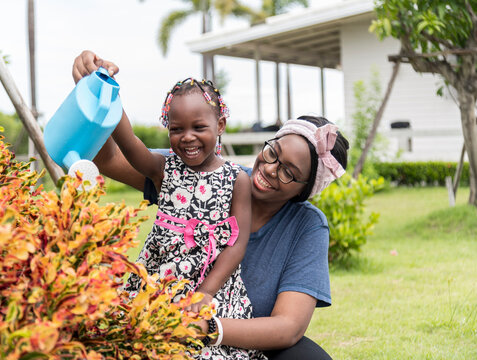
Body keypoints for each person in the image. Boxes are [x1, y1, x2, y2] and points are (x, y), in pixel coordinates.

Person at [72, 51, 350, 360]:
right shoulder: (189, 169)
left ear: (303, 191)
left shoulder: (301, 221)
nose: (271, 169)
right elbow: (114, 156)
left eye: (288, 173)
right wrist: (98, 94)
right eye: (273, 152)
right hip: (164, 295)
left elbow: (289, 328)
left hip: (227, 325)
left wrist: (205, 323)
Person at [101, 70, 263, 360]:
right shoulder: (165, 168)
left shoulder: (237, 179)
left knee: (195, 349)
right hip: (160, 280)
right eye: (176, 129)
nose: (187, 137)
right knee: (136, 343)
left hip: (209, 285)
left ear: (220, 125)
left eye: (199, 127)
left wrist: (207, 292)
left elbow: (237, 244)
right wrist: (109, 93)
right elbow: (130, 144)